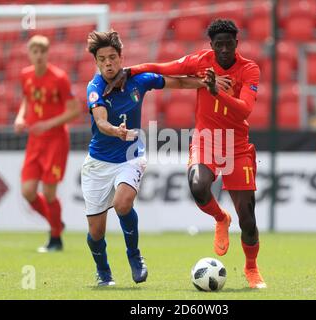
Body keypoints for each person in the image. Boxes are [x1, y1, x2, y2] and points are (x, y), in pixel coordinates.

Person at [104, 19, 266, 289]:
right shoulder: (201, 62)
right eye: (219, 45)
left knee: (248, 218)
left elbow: (245, 110)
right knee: (198, 185)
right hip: (205, 141)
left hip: (237, 145)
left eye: (229, 44)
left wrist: (214, 90)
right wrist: (128, 70)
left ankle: (251, 268)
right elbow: (162, 67)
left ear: (236, 44)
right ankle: (220, 218)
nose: (224, 49)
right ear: (211, 45)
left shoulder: (249, 69)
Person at [83, 30, 214, 286]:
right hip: (98, 162)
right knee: (96, 232)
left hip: (131, 155)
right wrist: (115, 130)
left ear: (121, 57)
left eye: (112, 57)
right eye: (102, 59)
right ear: (96, 62)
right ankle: (104, 272)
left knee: (123, 204)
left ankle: (134, 256)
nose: (108, 63)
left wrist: (205, 83)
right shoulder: (95, 87)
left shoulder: (139, 80)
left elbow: (177, 82)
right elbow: (100, 122)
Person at [14, 35, 80, 253]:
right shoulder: (25, 76)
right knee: (28, 191)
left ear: (47, 53)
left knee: (49, 193)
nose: (39, 55)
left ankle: (55, 238)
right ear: (30, 54)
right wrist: (20, 117)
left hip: (56, 140)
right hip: (35, 140)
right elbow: (27, 100)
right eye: (35, 52)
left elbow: (74, 110)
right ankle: (56, 224)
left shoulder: (59, 78)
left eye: (42, 51)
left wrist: (47, 124)